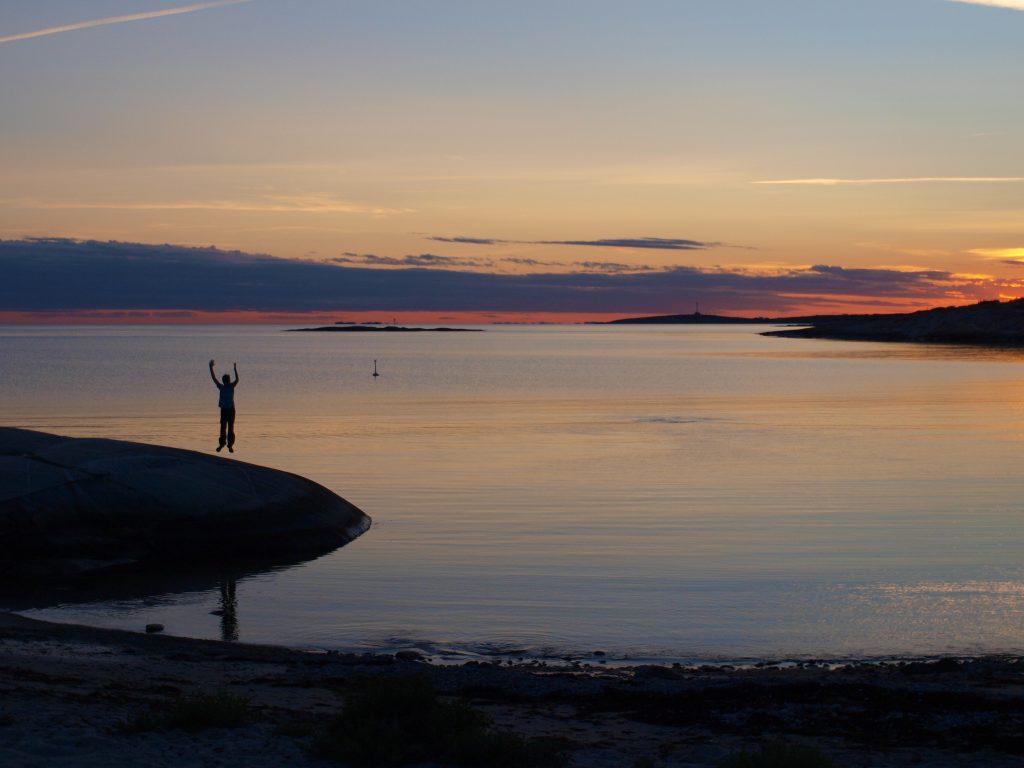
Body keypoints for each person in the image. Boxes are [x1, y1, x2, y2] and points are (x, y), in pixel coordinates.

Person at [208, 360, 239, 452]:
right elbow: (214, 378)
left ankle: (230, 445)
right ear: (224, 381)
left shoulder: (232, 386)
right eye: (225, 381)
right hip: (224, 410)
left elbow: (237, 379)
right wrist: (210, 367)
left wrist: (235, 369)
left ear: (228, 381)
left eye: (227, 381)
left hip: (231, 410)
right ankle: (222, 444)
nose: (226, 382)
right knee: (223, 428)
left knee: (230, 428)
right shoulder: (221, 387)